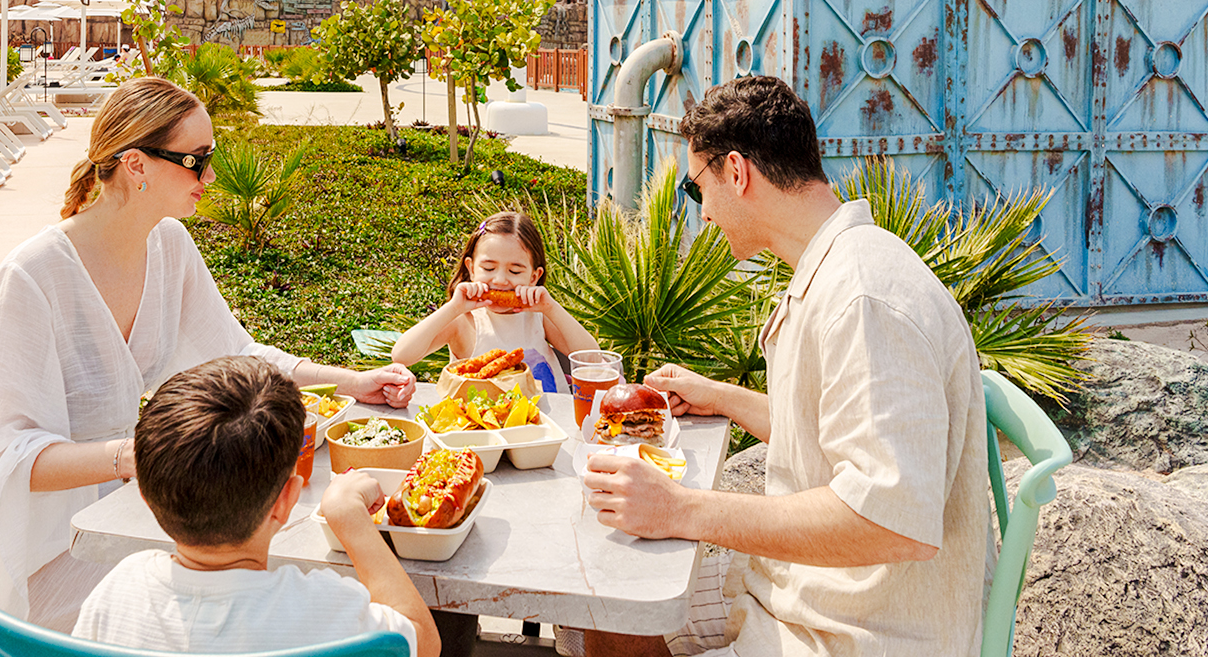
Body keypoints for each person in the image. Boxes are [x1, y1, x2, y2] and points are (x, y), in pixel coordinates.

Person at [0, 77, 415, 657]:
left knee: (263, 579)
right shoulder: (33, 277)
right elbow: (3, 455)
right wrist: (146, 459)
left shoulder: (168, 243)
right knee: (282, 590)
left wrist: (352, 382)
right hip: (45, 549)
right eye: (196, 161)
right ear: (135, 165)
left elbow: (236, 354)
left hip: (146, 512)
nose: (210, 177)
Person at [581, 76, 990, 657]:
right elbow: (833, 434)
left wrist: (681, 510)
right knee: (596, 610)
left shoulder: (864, 298)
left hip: (854, 632)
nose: (703, 217)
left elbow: (891, 521)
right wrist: (722, 396)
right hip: (811, 594)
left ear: (738, 173)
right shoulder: (842, 263)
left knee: (611, 605)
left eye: (699, 191)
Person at [74, 356, 438, 657]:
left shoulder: (115, 591)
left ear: (147, 499)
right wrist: (349, 518)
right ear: (286, 500)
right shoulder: (323, 607)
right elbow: (422, 639)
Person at [391, 211, 596, 392]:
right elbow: (402, 355)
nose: (500, 280)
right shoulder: (463, 320)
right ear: (471, 269)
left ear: (534, 277)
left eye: (515, 271)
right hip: (487, 429)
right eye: (489, 268)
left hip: (549, 424)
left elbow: (593, 360)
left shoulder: (538, 315)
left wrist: (551, 308)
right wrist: (453, 308)